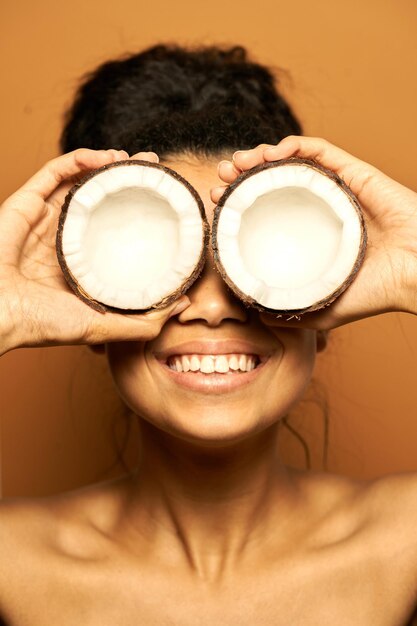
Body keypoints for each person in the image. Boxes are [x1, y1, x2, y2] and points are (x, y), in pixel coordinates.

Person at [0, 44, 416, 625]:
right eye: (168, 265)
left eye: (247, 267)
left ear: (326, 312)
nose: (214, 308)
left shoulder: (405, 547)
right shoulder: (12, 568)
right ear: (88, 306)